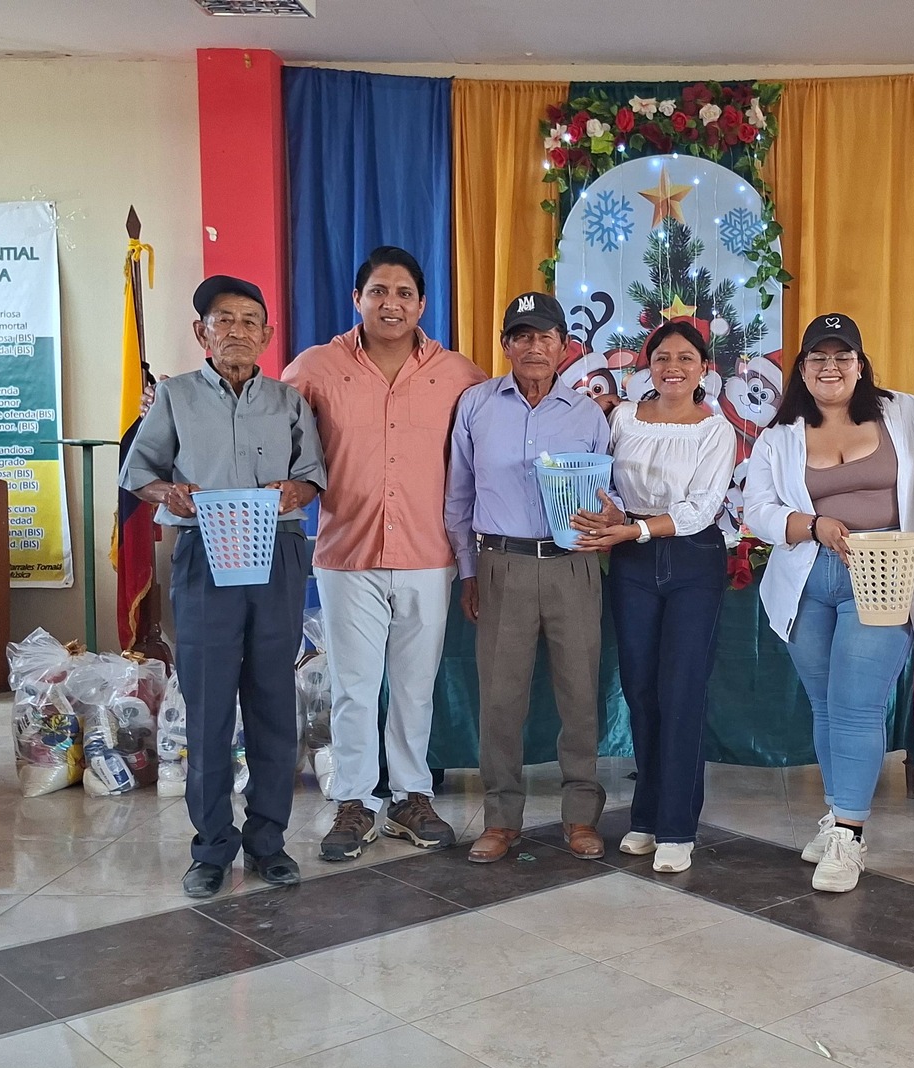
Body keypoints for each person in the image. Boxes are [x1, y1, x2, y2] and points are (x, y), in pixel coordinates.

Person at [119, 275, 323, 898]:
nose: (237, 331)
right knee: (208, 703)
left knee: (271, 699)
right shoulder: (175, 396)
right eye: (223, 320)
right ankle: (211, 848)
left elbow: (313, 475)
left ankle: (268, 842)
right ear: (201, 332)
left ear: (267, 335)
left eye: (249, 321)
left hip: (277, 553)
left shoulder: (288, 401)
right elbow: (139, 472)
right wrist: (171, 493)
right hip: (205, 554)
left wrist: (293, 490)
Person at [283, 246, 487, 862]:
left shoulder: (459, 375)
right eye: (378, 291)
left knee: (415, 685)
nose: (390, 303)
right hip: (348, 553)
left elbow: (497, 436)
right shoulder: (316, 368)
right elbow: (267, 426)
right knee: (354, 685)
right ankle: (353, 800)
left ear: (422, 304)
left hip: (429, 552)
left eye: (403, 293)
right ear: (358, 299)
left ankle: (409, 796)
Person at [747, 314, 914, 892]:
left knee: (858, 706)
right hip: (806, 578)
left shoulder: (904, 414)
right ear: (802, 369)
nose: (831, 367)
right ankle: (838, 811)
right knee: (824, 705)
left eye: (843, 357)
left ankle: (850, 835)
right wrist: (810, 524)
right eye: (819, 357)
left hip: (883, 574)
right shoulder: (780, 434)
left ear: (861, 365)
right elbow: (756, 510)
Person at [567, 321, 738, 874]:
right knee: (640, 690)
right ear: (648, 366)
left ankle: (678, 825)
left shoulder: (715, 430)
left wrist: (635, 529)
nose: (673, 367)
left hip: (691, 557)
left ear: (704, 369)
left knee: (681, 690)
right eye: (662, 357)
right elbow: (609, 483)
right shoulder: (622, 418)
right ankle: (645, 814)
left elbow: (701, 507)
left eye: (686, 358)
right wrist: (615, 515)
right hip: (632, 560)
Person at [446, 292, 611, 864]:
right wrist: (469, 571)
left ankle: (580, 815)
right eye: (522, 336)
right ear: (505, 345)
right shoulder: (476, 405)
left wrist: (609, 515)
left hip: (573, 564)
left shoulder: (588, 414)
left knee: (579, 694)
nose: (534, 346)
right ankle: (500, 819)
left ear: (564, 346)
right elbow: (458, 495)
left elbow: (609, 493)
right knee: (500, 698)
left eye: (545, 336)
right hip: (501, 564)